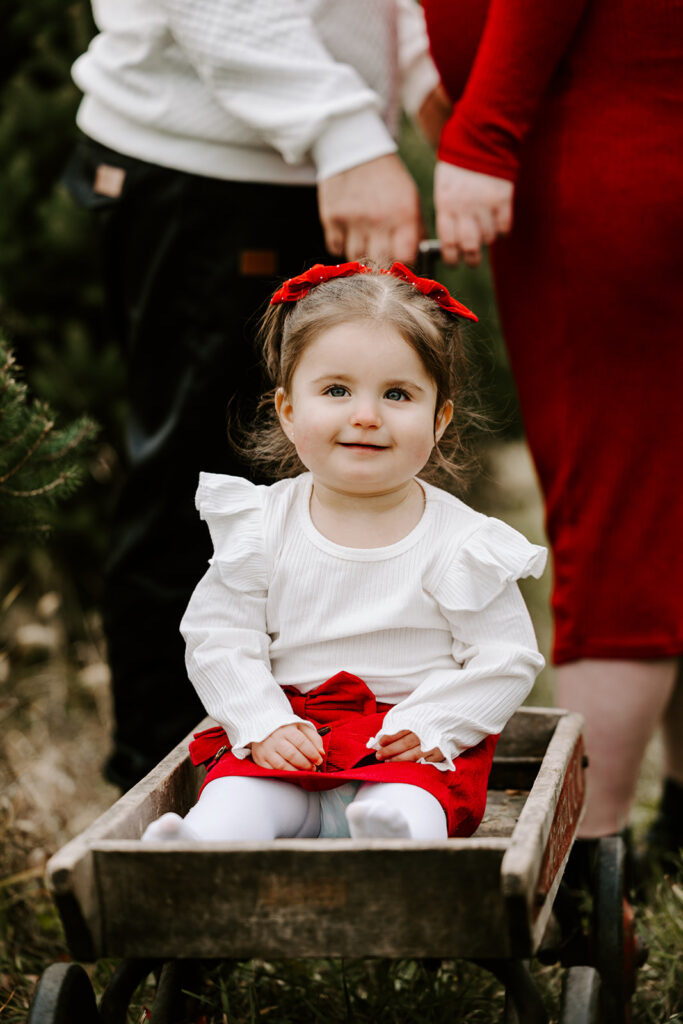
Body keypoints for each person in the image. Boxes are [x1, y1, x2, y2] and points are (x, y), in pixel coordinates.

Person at [64, 0, 449, 790]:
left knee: (325, 505)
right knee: (202, 500)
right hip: (207, 170)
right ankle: (159, 814)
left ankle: (302, 786)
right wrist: (343, 129)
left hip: (305, 162)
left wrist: (422, 79)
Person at [142, 261, 546, 843]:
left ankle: (391, 836)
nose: (366, 414)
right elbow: (218, 638)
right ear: (287, 410)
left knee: (412, 801)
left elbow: (506, 658)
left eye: (397, 394)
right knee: (239, 794)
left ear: (439, 419)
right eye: (336, 390)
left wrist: (432, 724)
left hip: (406, 749)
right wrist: (262, 722)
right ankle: (206, 844)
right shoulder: (262, 525)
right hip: (291, 740)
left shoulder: (460, 542)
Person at [422, 0, 683, 869]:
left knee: (612, 515)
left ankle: (586, 856)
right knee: (658, 507)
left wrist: (481, 135)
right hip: (625, 123)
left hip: (599, 145)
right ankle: (672, 825)